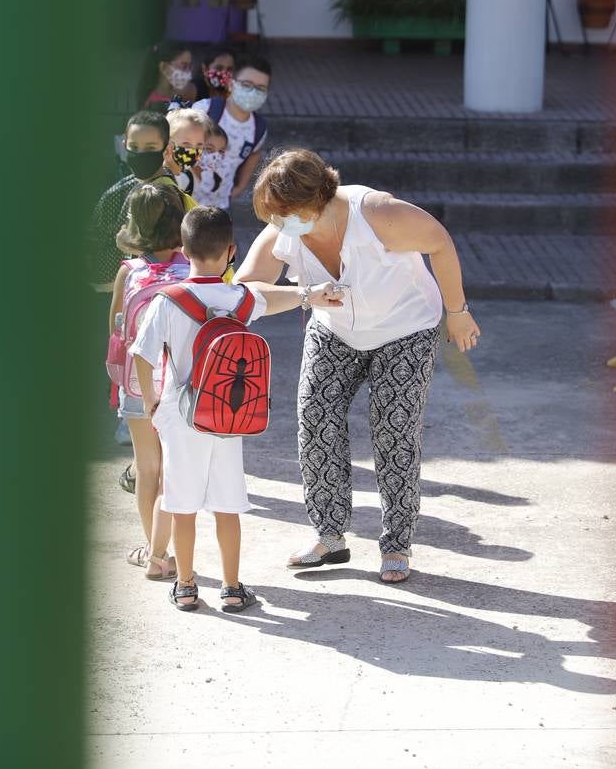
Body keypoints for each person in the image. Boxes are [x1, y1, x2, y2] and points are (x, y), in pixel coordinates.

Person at [235, 148, 482, 584]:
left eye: (284, 215)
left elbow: (439, 241)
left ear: (318, 199)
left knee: (394, 429)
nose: (277, 226)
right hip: (334, 330)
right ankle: (329, 535)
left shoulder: (377, 213)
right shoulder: (284, 230)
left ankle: (396, 544)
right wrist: (305, 296)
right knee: (315, 418)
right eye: (272, 217)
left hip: (405, 328)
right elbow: (246, 289)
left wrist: (457, 311)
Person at [131, 206, 342, 611]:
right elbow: (271, 298)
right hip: (228, 413)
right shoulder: (239, 298)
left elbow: (143, 355)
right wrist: (311, 296)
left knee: (182, 505)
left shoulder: (167, 300)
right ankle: (231, 587)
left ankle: (187, 585)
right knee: (228, 504)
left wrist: (152, 401)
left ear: (184, 248)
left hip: (180, 414)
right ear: (232, 251)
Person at [111, 184, 192, 581]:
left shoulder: (128, 272)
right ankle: (173, 548)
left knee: (148, 469)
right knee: (176, 468)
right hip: (182, 386)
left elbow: (117, 328)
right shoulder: (190, 270)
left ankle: (153, 551)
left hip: (139, 385)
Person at [89, 110, 198, 292]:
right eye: (134, 146)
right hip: (121, 284)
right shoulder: (129, 185)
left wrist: (127, 242)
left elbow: (169, 251)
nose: (141, 154)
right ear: (125, 145)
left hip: (142, 287)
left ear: (167, 149)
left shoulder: (164, 194)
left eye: (150, 148)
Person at [191, 54, 271, 205]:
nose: (253, 92)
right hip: (186, 200)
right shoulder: (205, 110)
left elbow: (255, 153)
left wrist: (240, 187)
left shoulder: (258, 129)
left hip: (220, 207)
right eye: (247, 84)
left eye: (261, 88)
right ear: (231, 83)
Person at [139, 39, 199, 109]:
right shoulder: (158, 106)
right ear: (164, 67)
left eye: (190, 67)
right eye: (184, 66)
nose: (189, 74)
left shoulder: (173, 101)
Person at [194, 120, 231, 210]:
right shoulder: (182, 171)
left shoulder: (223, 172)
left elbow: (222, 203)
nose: (216, 155)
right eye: (209, 148)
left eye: (221, 151)